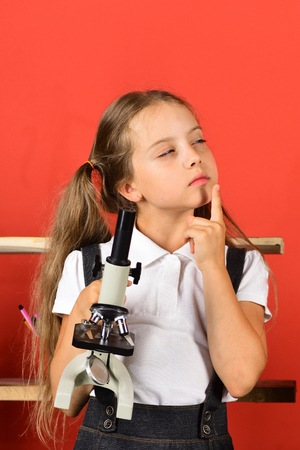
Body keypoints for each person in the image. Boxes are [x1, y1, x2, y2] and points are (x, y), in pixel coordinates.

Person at [30, 90, 271, 449]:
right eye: (167, 151)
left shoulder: (241, 265)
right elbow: (68, 401)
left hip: (203, 438)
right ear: (129, 187)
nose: (194, 157)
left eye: (198, 140)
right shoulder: (89, 264)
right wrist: (85, 312)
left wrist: (211, 267)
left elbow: (239, 379)